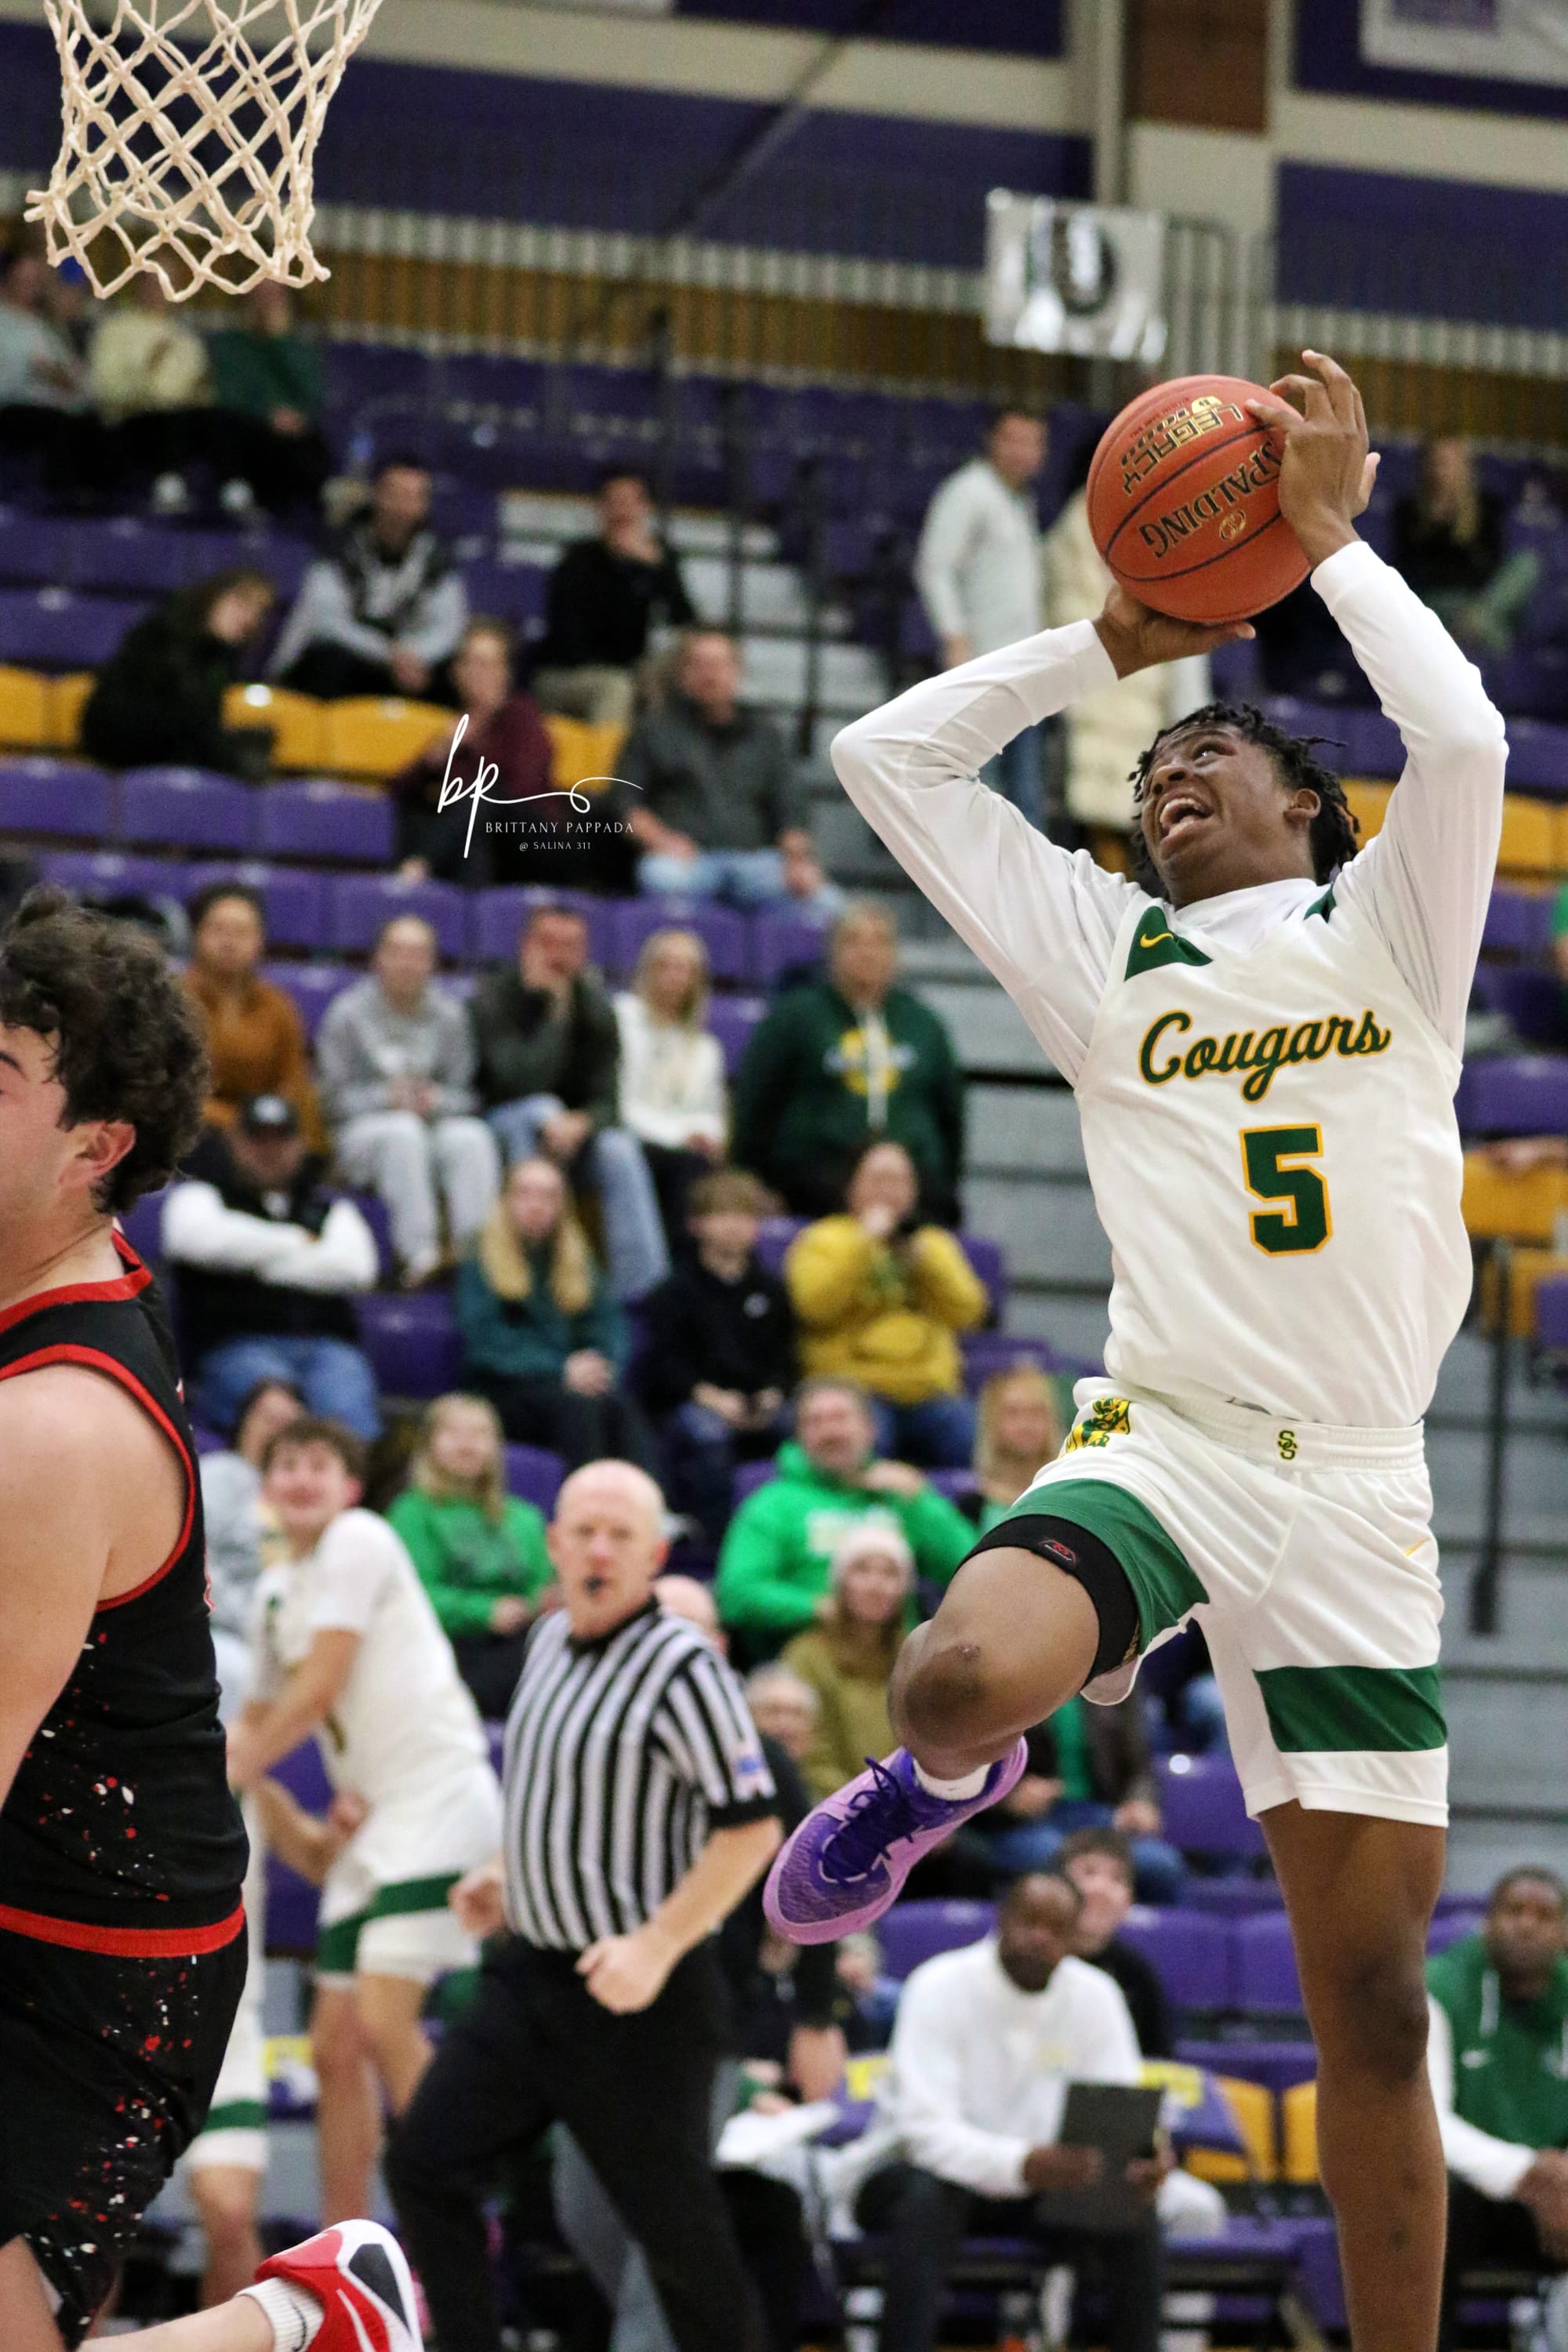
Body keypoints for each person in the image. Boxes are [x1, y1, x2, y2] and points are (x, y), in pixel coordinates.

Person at [768, 352, 1509, 2352]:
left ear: (1307, 806)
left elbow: (1458, 730)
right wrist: (1105, 640)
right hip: (1168, 1441)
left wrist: (1326, 543)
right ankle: (940, 1778)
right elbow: (885, 761)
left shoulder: (1391, 929)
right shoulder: (1106, 956)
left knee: (1372, 2010)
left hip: (1355, 1492)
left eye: (1214, 754)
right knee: (945, 1673)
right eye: (1147, 769)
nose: (1167, 775)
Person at [385, 1458, 785, 2352]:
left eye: (620, 1536)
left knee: (678, 2241)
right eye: (585, 1533)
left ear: (654, 1555)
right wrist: (505, 1870)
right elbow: (554, 1791)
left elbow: (751, 1831)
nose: (600, 1550)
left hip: (636, 1999)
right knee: (425, 2167)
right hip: (527, 1975)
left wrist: (656, 1944)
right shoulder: (545, 1640)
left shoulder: (684, 1666)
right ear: (555, 1544)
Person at [225, 1416, 503, 2230]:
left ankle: (458, 2224)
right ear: (267, 1488)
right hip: (376, 1818)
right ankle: (343, 2245)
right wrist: (209, 1771)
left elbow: (317, 1689)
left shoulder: (361, 1537)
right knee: (332, 2047)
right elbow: (255, 1722)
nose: (302, 1476)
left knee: (384, 2020)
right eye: (287, 1464)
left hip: (439, 1794)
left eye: (320, 1463)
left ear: (349, 1486)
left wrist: (233, 1773)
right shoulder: (275, 1591)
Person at [551, 1572, 835, 2352]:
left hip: (702, 2022)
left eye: (692, 1633)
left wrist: (815, 2016)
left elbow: (820, 1879)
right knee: (583, 2210)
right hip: (587, 2019)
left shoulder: (757, 1759)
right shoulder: (591, 1743)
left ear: (717, 1648)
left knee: (662, 2219)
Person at [851, 1873, 1167, 2352]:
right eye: (1029, 1922)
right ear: (1002, 1918)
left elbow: (1119, 2110)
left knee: (1134, 2212)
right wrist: (1020, 2163)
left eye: (1055, 1929)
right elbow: (923, 2133)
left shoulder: (1097, 1995)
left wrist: (1142, 2155)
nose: (1039, 1937)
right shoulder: (938, 1984)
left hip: (1046, 2188)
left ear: (1073, 1938)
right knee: (926, 2201)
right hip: (922, 2174)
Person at [470, 901, 668, 1301]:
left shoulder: (596, 1007)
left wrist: (585, 1122)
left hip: (571, 1138)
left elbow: (609, 1102)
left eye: (571, 946)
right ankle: (527, 1264)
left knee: (619, 1148)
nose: (558, 956)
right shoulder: (492, 998)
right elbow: (514, 1081)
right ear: (526, 946)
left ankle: (643, 1290)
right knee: (541, 1110)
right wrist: (553, 1017)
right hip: (499, 1127)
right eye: (548, 943)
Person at [162, 1093, 382, 1439]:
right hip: (235, 1345)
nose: (269, 1150)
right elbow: (194, 1240)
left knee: (345, 1416)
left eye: (281, 1139)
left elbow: (357, 1268)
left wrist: (252, 1262)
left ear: (300, 1145)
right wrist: (302, 1243)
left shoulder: (330, 1207)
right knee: (274, 1410)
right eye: (258, 1138)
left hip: (327, 1346)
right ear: (235, 1142)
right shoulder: (202, 1195)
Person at [732, 901, 965, 1222]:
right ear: (832, 951)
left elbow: (951, 1115)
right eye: (854, 941)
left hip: (911, 1174)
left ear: (894, 954)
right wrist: (752, 1180)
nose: (867, 952)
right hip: (817, 1174)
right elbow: (756, 1102)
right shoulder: (796, 1017)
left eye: (879, 941)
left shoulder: (923, 1025)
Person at [714, 1377, 975, 1661]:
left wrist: (923, 1501)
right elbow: (737, 1595)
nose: (830, 1432)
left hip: (896, 1662)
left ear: (871, 1429)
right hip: (803, 1664)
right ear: (798, 1437)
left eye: (841, 1418)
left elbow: (972, 1572)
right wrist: (823, 1609)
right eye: (815, 1422)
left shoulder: (901, 1496)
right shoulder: (772, 1505)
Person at [318, 913, 502, 1287]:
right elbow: (330, 1100)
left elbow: (466, 1096)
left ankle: (477, 1262)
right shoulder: (347, 1013)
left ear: (433, 963)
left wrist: (436, 1100)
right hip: (361, 1135)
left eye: (419, 954)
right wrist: (386, 1097)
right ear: (377, 958)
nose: (407, 963)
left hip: (432, 1125)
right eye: (398, 952)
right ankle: (420, 1258)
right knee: (403, 1132)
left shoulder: (450, 1016)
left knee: (472, 1137)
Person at [1044, 460, 1210, 871]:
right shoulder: (1078, 529)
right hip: (1089, 702)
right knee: (1091, 831)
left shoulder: (1165, 526)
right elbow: (1065, 603)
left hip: (1141, 704)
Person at [1428, 1867, 1568, 2351]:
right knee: (1428, 2206)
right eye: (1514, 1911)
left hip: (1556, 2192)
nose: (1527, 1925)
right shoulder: (1440, 1987)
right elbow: (1428, 2125)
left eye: (1544, 1915)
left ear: (1565, 1935)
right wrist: (1527, 2171)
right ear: (1487, 1924)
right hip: (1466, 2191)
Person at [785, 1138, 985, 1468]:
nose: (889, 1191)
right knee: (864, 1436)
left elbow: (969, 1314)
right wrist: (864, 1244)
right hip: (855, 1390)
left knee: (977, 1439)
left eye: (900, 1181)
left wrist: (926, 1263)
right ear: (852, 1187)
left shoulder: (934, 1244)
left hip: (929, 1392)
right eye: (879, 1180)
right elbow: (813, 1307)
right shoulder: (824, 1239)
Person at [619, 629, 839, 916]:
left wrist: (797, 860)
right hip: (686, 861)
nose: (709, 675)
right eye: (699, 665)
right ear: (682, 674)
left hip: (756, 863)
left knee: (825, 905)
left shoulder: (765, 734)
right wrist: (661, 841)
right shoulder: (654, 730)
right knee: (662, 877)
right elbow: (625, 804)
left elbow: (790, 805)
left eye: (718, 665)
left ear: (737, 672)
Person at [455, 1156, 653, 1469]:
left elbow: (608, 1324)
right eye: (525, 1194)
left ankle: (647, 1496)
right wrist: (560, 1368)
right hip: (505, 1390)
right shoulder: (480, 1259)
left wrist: (601, 1366)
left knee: (620, 1407)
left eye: (548, 1196)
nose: (536, 1205)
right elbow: (486, 1341)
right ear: (505, 1200)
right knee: (580, 1409)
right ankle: (584, 1495)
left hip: (567, 1387)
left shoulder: (578, 1258)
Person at [640, 1167, 797, 1545]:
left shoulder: (773, 1290)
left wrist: (774, 1393)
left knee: (808, 1427)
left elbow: (787, 1358)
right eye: (721, 1215)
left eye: (744, 1215)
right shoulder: (672, 1293)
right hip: (698, 1402)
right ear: (697, 1224)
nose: (733, 1226)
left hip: (761, 1403)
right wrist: (712, 1398)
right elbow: (664, 1368)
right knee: (709, 1435)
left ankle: (790, 1533)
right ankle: (716, 1544)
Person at [914, 406, 1047, 828]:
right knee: (977, 792)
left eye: (1033, 442)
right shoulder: (968, 492)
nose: (1023, 452)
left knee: (1025, 801)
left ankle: (1018, 875)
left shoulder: (1023, 502)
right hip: (980, 669)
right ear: (993, 441)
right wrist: (954, 637)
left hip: (1024, 671)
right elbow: (935, 567)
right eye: (1014, 440)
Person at [387, 1391, 554, 1719]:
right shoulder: (411, 1513)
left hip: (521, 1642)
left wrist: (537, 1604)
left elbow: (542, 1586)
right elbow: (410, 1596)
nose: (467, 1444)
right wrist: (486, 1611)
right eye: (453, 1433)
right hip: (446, 1647)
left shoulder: (525, 1518)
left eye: (479, 1434)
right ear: (429, 1444)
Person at [393, 618, 576, 890]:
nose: (481, 674)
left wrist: (476, 747)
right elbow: (401, 789)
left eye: (490, 665)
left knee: (481, 797)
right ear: (456, 672)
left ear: (506, 673)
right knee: (452, 830)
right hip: (481, 842)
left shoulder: (521, 716)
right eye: (473, 664)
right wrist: (442, 751)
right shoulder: (456, 728)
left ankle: (418, 869)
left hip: (534, 839)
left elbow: (523, 789)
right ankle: (465, 906)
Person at [270, 455, 467, 702]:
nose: (402, 507)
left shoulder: (438, 557)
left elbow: (449, 627)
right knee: (328, 660)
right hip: (351, 658)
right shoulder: (339, 546)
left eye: (413, 497)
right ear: (377, 494)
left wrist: (411, 654)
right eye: (396, 494)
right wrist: (387, 653)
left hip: (407, 664)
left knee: (448, 677)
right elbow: (325, 619)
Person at [532, 467, 697, 724]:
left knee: (697, 650)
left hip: (631, 667)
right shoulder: (577, 559)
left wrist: (658, 569)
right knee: (617, 687)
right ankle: (608, 751)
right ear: (601, 508)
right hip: (568, 673)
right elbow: (569, 639)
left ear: (645, 508)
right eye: (616, 502)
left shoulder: (658, 558)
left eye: (631, 502)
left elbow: (683, 618)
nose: (624, 512)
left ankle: (683, 743)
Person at [81, 568, 277, 780]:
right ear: (214, 596)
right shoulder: (162, 636)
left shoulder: (221, 659)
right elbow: (178, 716)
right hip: (123, 749)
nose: (248, 618)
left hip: (172, 755)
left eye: (258, 611)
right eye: (242, 602)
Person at [181, 882, 325, 1148]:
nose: (229, 942)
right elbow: (168, 1091)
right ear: (197, 934)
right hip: (191, 1133)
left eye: (242, 932)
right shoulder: (173, 1000)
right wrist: (233, 1120)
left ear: (261, 940)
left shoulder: (279, 1006)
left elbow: (293, 1085)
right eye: (219, 930)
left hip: (264, 1136)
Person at [613, 927, 728, 1241]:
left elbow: (711, 1112)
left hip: (683, 1148)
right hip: (632, 1138)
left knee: (701, 1166)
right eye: (665, 966)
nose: (674, 977)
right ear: (647, 971)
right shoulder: (623, 1020)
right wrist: (680, 1134)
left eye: (684, 968)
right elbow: (621, 1103)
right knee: (681, 1166)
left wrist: (707, 1133)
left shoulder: (705, 1048)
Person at [782, 1522, 910, 1802]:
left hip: (906, 1808)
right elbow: (811, 1753)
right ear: (840, 1582)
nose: (876, 1585)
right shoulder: (806, 1656)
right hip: (828, 1806)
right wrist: (864, 1804)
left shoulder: (913, 1658)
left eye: (890, 1573)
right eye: (862, 1570)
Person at [199, 1374, 304, 1700]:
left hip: (288, 1636)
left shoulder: (306, 1493)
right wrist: (251, 1623)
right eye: (268, 1418)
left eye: (289, 1422)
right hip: (221, 1629)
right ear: (245, 1423)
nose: (277, 1430)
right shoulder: (219, 1474)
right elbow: (197, 1561)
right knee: (238, 1672)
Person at [1393, 437, 1542, 657]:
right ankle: (1507, 667)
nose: (1441, 471)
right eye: (1437, 463)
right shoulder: (1411, 511)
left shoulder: (1487, 507)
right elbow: (1413, 572)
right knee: (1488, 625)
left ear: (1465, 467)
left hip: (1481, 599)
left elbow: (1491, 564)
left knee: (1527, 563)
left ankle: (1477, 623)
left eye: (1449, 463)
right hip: (1437, 601)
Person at [86, 269, 215, 514]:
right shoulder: (115, 329)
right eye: (155, 282)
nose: (161, 290)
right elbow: (103, 389)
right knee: (167, 421)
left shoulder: (189, 341)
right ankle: (169, 493)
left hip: (181, 421)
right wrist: (146, 374)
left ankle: (233, 499)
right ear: (140, 285)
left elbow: (201, 393)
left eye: (169, 282)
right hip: (129, 421)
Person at [205, 280, 333, 517]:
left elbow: (310, 396)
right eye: (260, 294)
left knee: (311, 442)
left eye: (274, 296)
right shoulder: (229, 344)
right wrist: (268, 415)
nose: (266, 304)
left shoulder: (297, 348)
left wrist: (279, 341)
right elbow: (228, 394)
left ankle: (322, 501)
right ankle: (237, 492)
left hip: (286, 443)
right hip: (248, 435)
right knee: (224, 423)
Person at [0, 245, 105, 501]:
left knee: (96, 422)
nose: (30, 288)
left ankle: (92, 498)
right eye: (23, 281)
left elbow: (73, 374)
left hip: (57, 404)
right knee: (56, 424)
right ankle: (61, 498)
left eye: (35, 282)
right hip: (14, 407)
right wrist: (36, 373)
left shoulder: (44, 327)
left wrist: (66, 380)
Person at [1059, 1828, 1174, 2059]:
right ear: (1057, 1886)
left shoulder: (1138, 1976)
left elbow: (1155, 2062)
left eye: (1117, 1879)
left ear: (1129, 1901)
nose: (1101, 1889)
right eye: (1089, 1873)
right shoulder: (1032, 1961)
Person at [958, 1364, 1064, 1534]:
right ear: (991, 1421)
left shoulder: (1067, 1499)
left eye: (1036, 1412)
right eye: (1013, 1413)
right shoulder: (971, 1506)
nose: (1026, 1424)